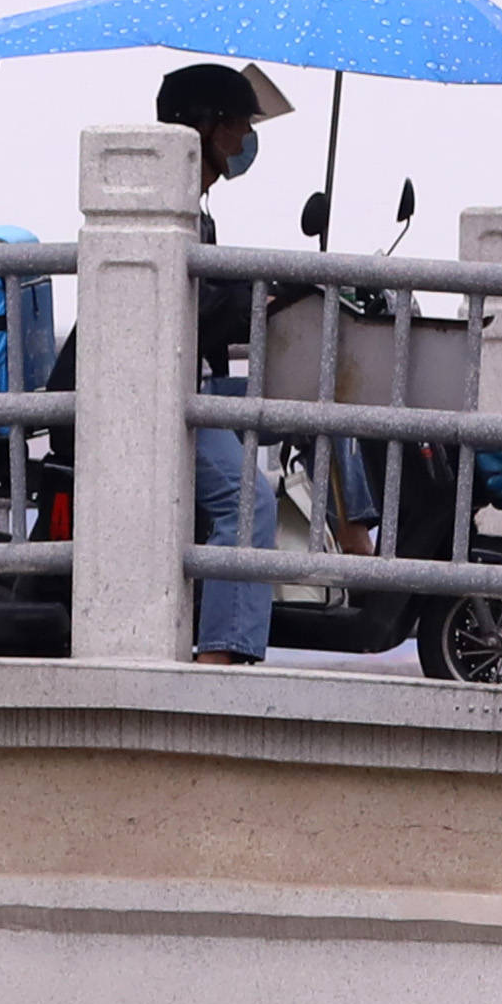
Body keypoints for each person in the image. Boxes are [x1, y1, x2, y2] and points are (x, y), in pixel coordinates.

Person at [155, 54, 292, 661]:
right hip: (159, 395)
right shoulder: (169, 209)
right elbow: (184, 315)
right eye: (237, 124)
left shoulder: (198, 212)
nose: (244, 139)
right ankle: (220, 655)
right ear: (203, 127)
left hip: (197, 386)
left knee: (308, 392)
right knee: (248, 499)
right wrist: (256, 298)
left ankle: (355, 533)